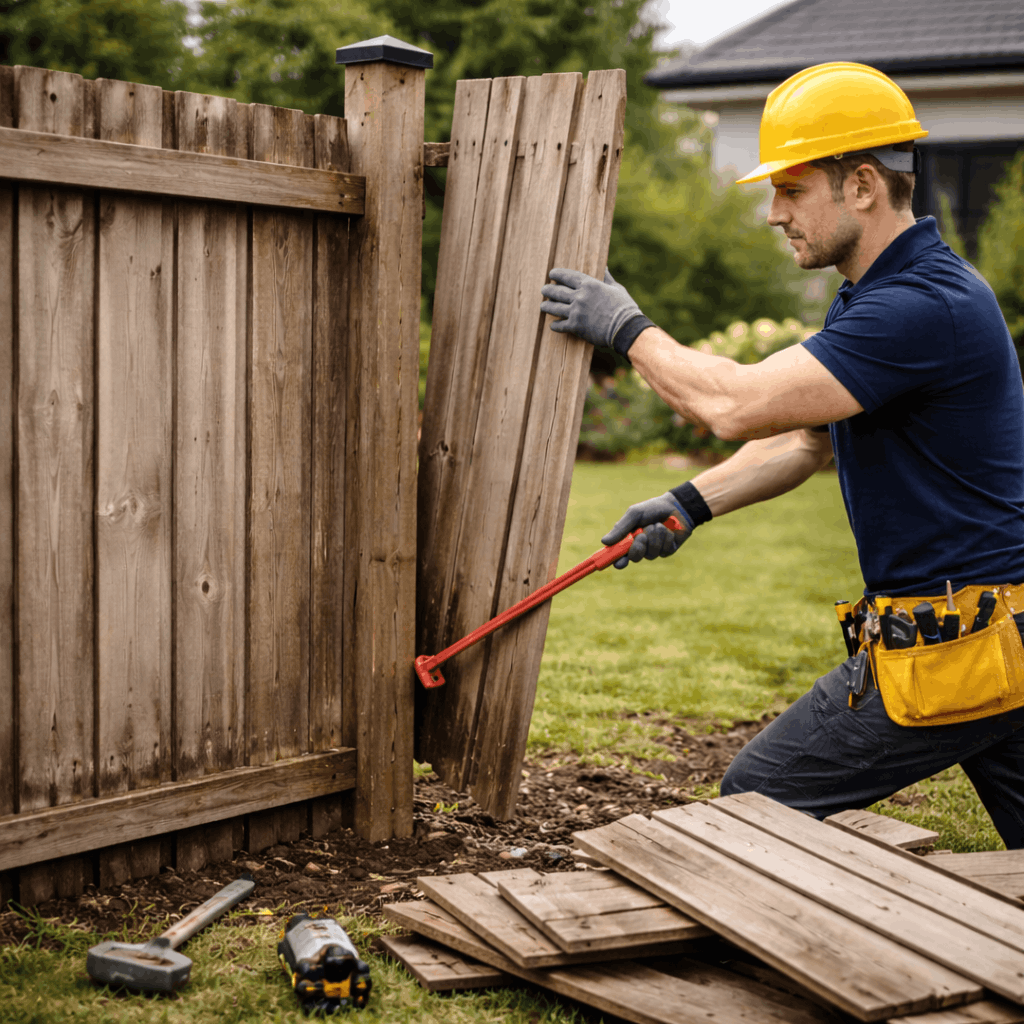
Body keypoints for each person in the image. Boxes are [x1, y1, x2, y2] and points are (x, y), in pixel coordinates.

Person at [538, 62, 1024, 848]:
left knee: (763, 796)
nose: (774, 213)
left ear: (862, 185)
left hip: (954, 647)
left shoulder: (921, 306)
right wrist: (690, 504)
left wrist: (626, 326)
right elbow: (804, 439)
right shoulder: (880, 294)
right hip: (998, 634)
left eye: (791, 189)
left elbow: (732, 403)